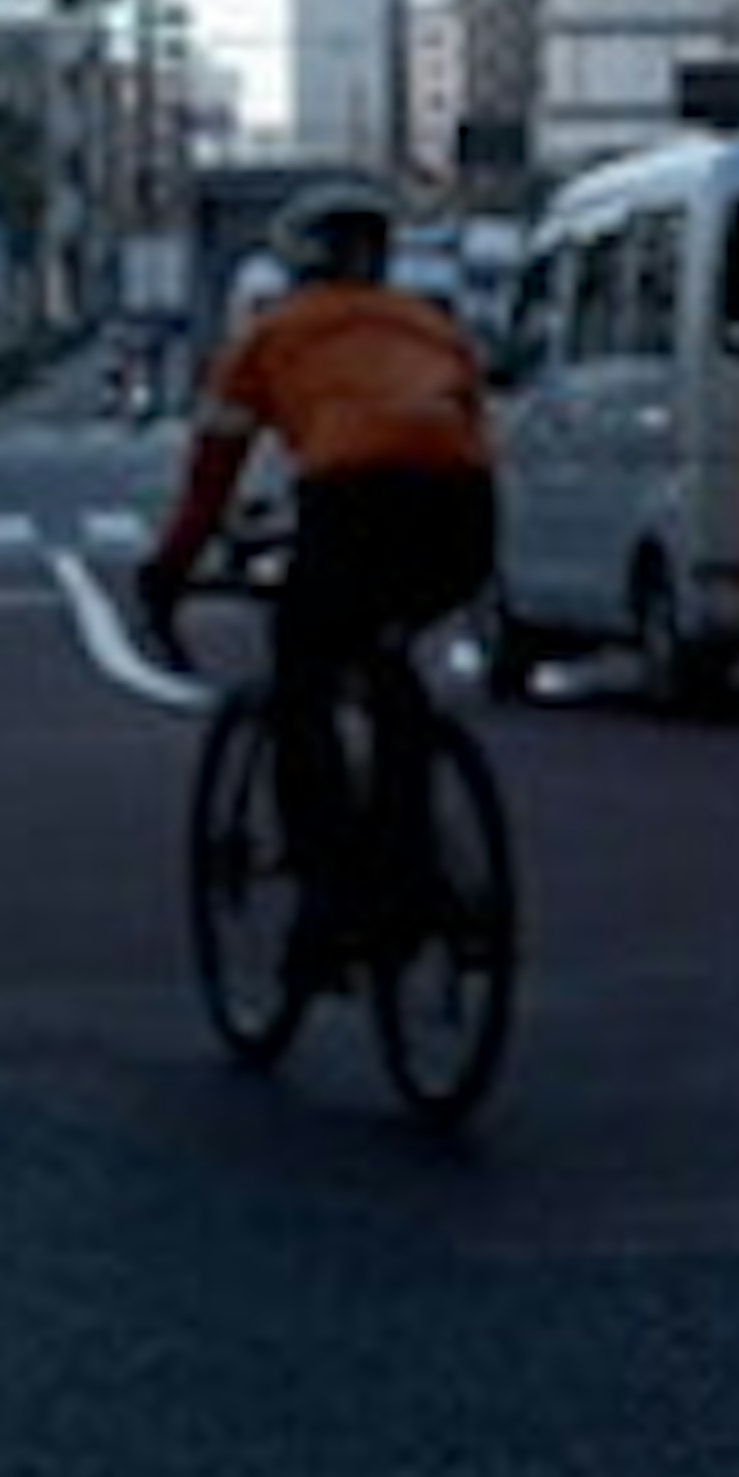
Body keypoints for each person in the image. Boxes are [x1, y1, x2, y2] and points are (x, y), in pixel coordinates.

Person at [135, 178, 495, 969]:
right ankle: (414, 875)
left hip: (350, 503)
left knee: (304, 680)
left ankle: (332, 897)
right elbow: (466, 435)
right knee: (389, 663)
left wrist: (168, 573)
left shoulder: (272, 336)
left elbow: (212, 476)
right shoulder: (432, 327)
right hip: (462, 514)